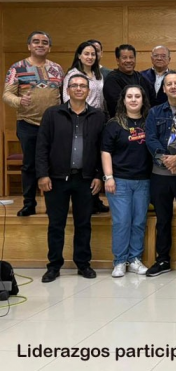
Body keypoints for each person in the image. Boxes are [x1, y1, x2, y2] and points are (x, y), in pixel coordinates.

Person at [36, 73, 105, 283]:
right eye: (74, 85)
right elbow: (41, 146)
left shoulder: (98, 116)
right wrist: (42, 174)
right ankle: (53, 266)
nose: (78, 89)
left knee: (83, 224)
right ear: (67, 90)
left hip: (85, 179)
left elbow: (102, 149)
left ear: (89, 91)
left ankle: (83, 264)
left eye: (82, 86)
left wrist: (98, 176)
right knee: (56, 224)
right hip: (56, 179)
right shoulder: (52, 114)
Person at [3, 31, 64, 217]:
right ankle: (29, 203)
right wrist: (19, 101)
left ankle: (53, 204)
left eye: (44, 42)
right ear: (29, 46)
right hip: (27, 123)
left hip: (53, 125)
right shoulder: (17, 68)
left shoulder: (57, 69)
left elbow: (64, 94)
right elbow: (7, 94)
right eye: (36, 42)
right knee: (29, 165)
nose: (40, 45)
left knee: (54, 164)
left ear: (49, 47)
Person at [144, 71, 176, 278]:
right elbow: (150, 139)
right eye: (169, 84)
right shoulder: (154, 112)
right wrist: (167, 160)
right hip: (160, 175)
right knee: (163, 219)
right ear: (164, 89)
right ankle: (163, 259)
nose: (173, 86)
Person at [101, 85, 152, 278]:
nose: (133, 99)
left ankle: (135, 259)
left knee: (139, 221)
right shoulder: (114, 124)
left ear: (143, 100)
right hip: (119, 181)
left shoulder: (149, 122)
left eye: (137, 96)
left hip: (144, 181)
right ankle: (120, 261)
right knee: (122, 221)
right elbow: (106, 151)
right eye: (129, 96)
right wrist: (109, 177)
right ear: (123, 100)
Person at [62, 41, 109, 214]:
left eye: (93, 54)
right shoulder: (73, 75)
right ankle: (83, 199)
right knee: (85, 155)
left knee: (96, 156)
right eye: (86, 54)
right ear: (79, 55)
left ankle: (94, 199)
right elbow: (66, 98)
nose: (90, 57)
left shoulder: (98, 74)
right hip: (80, 118)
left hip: (98, 118)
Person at [103, 44, 156, 118]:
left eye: (131, 57)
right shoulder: (111, 79)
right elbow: (117, 105)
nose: (128, 61)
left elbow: (153, 100)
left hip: (144, 120)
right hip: (121, 121)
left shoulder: (141, 77)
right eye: (124, 58)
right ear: (118, 60)